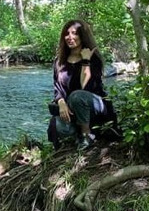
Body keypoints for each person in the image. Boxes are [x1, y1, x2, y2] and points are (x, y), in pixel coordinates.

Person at [47, 19, 117, 150]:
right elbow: (57, 88)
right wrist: (61, 103)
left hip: (95, 105)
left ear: (82, 36)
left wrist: (85, 61)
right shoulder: (59, 61)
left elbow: (86, 87)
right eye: (67, 34)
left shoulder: (93, 59)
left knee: (77, 96)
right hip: (72, 108)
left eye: (75, 33)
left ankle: (87, 135)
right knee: (56, 125)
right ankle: (75, 134)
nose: (70, 37)